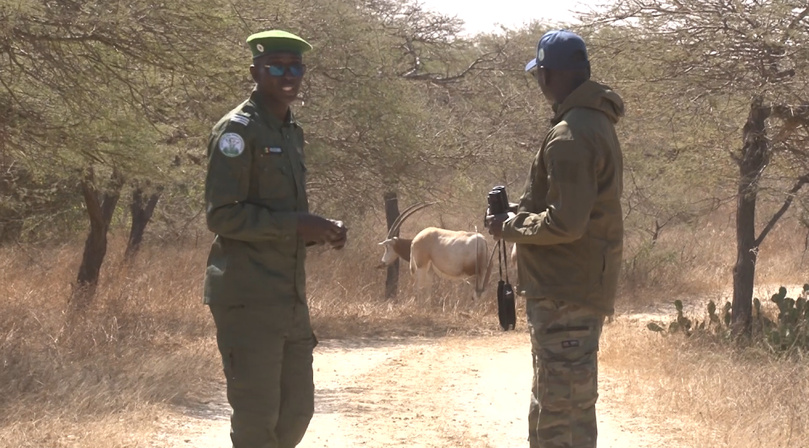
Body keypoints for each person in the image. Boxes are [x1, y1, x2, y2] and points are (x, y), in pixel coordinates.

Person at [203, 29, 347, 448]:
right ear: (255, 71)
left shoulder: (290, 131)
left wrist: (321, 232)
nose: (289, 75)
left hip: (289, 298)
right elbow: (222, 215)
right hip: (247, 298)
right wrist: (296, 224)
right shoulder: (236, 131)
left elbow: (287, 217)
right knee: (256, 417)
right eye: (277, 67)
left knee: (297, 411)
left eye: (296, 67)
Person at [487, 29, 625, 448]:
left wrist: (507, 226)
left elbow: (567, 223)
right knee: (559, 401)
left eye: (540, 74)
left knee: (562, 409)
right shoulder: (591, 122)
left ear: (551, 75)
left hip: (565, 290)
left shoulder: (570, 134)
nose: (539, 83)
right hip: (571, 287)